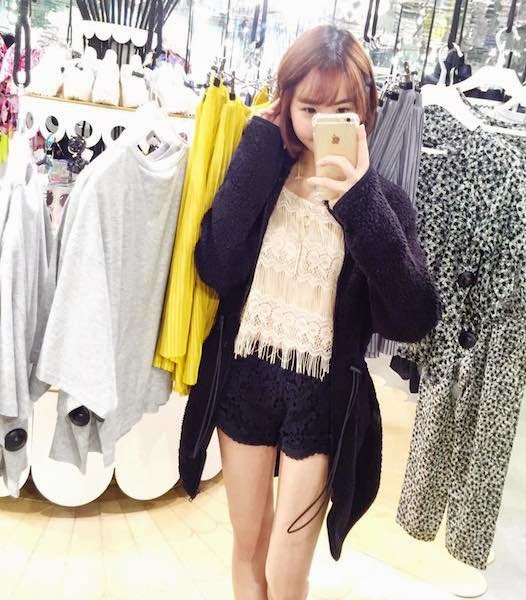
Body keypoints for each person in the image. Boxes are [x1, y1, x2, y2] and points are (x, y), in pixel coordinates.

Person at [178, 25, 440, 600]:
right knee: (249, 545)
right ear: (285, 103)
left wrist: (360, 203)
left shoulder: (383, 201)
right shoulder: (263, 174)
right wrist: (259, 145)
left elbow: (415, 316)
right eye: (309, 108)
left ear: (365, 111)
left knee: (286, 569)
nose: (324, 123)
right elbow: (214, 264)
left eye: (342, 110)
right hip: (245, 378)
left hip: (321, 401)